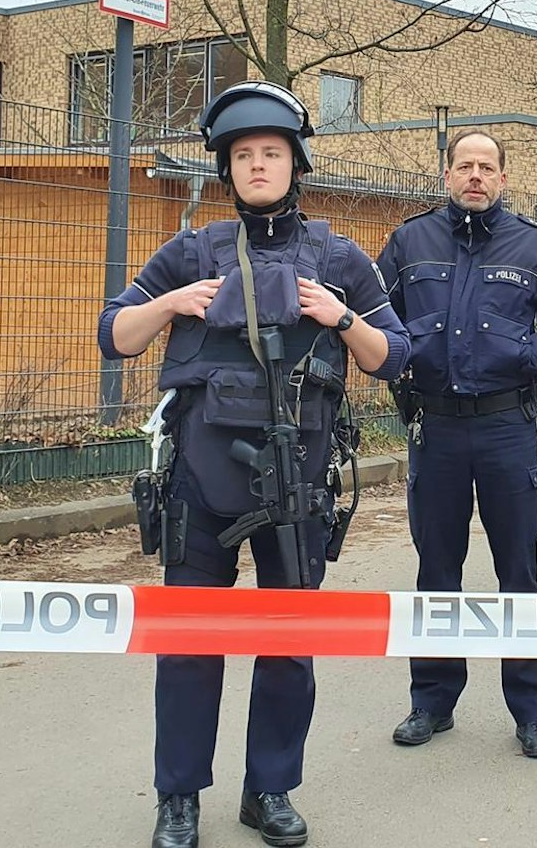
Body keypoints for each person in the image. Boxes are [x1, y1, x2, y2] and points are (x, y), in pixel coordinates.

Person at [99, 80, 411, 848]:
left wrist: (340, 315)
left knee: (288, 646)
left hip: (297, 484)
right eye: (244, 155)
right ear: (227, 168)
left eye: (272, 151)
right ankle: (178, 797)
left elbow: (394, 354)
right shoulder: (192, 251)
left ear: (295, 163)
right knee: (188, 645)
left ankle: (269, 788)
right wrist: (171, 304)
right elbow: (115, 334)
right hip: (200, 483)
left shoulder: (338, 257)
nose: (259, 164)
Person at [375, 130, 537, 759]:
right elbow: (371, 315)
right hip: (436, 429)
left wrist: (526, 354)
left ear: (503, 178)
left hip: (506, 428)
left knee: (518, 570)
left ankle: (533, 711)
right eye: (464, 165)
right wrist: (400, 360)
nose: (475, 175)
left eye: (487, 167)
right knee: (436, 570)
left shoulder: (535, 246)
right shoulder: (409, 243)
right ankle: (432, 701)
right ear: (447, 174)